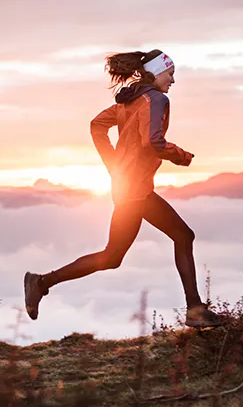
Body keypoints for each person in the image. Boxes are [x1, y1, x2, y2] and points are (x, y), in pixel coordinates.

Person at [23, 49, 223, 328]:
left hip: (129, 188)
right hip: (136, 191)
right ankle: (195, 310)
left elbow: (97, 127)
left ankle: (41, 282)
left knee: (113, 256)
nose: (173, 81)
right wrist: (181, 156)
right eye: (171, 74)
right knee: (182, 236)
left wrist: (113, 164)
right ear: (155, 73)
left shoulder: (128, 101)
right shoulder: (156, 100)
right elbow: (153, 141)